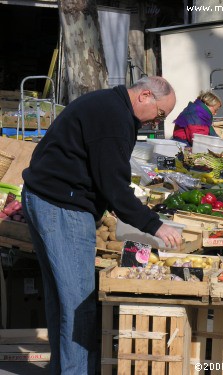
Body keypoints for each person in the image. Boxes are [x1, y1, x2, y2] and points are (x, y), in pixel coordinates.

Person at [21, 76, 182, 374]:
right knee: (79, 303)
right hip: (62, 206)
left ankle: (64, 368)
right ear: (145, 96)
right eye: (160, 114)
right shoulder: (113, 117)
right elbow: (114, 187)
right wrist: (155, 225)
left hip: (44, 197)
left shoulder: (108, 104)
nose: (156, 123)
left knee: (62, 299)